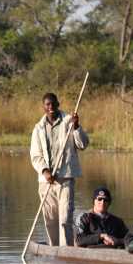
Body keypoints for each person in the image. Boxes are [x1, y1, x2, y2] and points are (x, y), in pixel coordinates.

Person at [30, 92, 89, 246]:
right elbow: (36, 156)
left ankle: (66, 252)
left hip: (65, 178)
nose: (51, 107)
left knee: (65, 219)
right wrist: (44, 171)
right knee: (50, 220)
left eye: (53, 104)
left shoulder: (69, 121)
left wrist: (76, 127)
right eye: (47, 105)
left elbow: (83, 144)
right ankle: (53, 251)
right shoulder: (38, 128)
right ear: (43, 107)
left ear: (58, 104)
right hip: (46, 182)